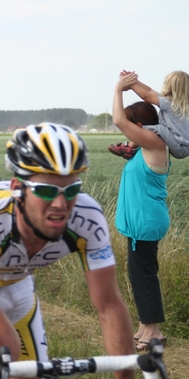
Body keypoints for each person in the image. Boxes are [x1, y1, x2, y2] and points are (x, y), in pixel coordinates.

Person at [0, 123, 142, 379]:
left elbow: (109, 306)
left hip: (16, 281)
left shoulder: (88, 218)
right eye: (47, 191)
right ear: (18, 188)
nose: (61, 204)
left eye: (71, 189)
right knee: (2, 345)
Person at [113, 79, 170, 352]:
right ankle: (145, 326)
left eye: (131, 122)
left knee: (145, 275)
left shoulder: (154, 144)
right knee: (138, 274)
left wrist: (118, 90)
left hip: (147, 221)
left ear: (140, 126)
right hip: (142, 221)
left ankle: (155, 332)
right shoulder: (143, 148)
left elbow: (117, 120)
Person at [108, 70, 189, 160]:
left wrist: (131, 84)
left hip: (180, 147)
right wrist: (134, 81)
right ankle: (131, 146)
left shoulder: (168, 103)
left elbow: (147, 96)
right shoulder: (178, 103)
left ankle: (129, 146)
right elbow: (149, 91)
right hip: (183, 146)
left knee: (160, 129)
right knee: (160, 129)